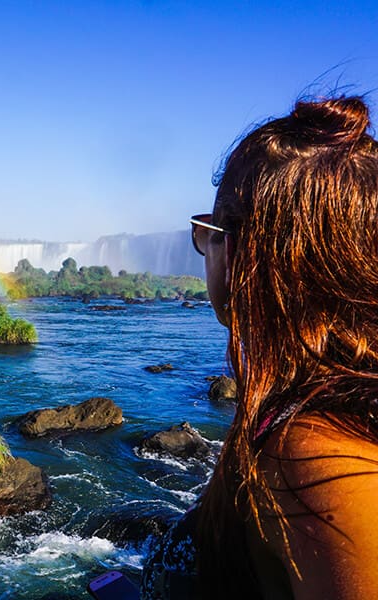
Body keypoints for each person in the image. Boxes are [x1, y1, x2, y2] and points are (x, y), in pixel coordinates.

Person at [141, 95, 378, 599]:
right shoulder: (315, 410)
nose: (205, 251)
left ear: (242, 251)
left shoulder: (315, 457)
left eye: (208, 234)